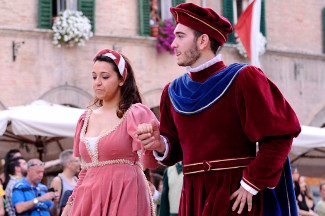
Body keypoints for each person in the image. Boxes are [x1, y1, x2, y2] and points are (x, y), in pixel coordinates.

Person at [136, 3, 301, 216]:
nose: (173, 43)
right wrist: (161, 144)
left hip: (236, 198)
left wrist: (251, 184)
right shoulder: (172, 91)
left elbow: (280, 137)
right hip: (193, 197)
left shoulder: (243, 78)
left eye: (180, 36)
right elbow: (175, 150)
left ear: (203, 40)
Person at [61, 48, 159, 216]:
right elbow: (85, 169)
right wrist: (71, 203)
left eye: (105, 77)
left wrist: (149, 141)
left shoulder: (136, 113)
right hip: (89, 197)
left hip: (125, 191)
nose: (97, 82)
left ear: (121, 80)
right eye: (94, 77)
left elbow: (151, 164)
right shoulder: (85, 118)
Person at [49, 149, 80, 216]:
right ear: (69, 164)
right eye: (77, 161)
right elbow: (52, 206)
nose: (80, 163)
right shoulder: (58, 180)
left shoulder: (76, 180)